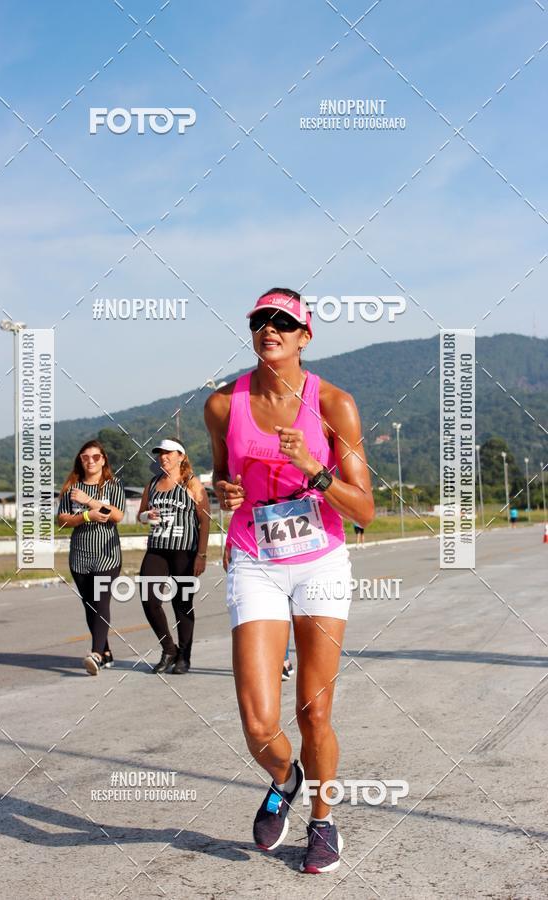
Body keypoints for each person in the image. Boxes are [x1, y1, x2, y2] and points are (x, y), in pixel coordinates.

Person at [205, 287, 374, 874]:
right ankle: (285, 775)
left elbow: (365, 510)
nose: (268, 329)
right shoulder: (224, 405)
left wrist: (314, 470)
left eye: (282, 322)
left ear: (305, 335)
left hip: (320, 561)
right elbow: (222, 480)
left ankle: (323, 823)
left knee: (314, 714)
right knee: (258, 722)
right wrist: (221, 493)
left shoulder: (334, 404)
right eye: (259, 321)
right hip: (255, 557)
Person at [138, 438, 210, 675]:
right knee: (149, 599)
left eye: (168, 453)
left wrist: (201, 554)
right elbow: (140, 516)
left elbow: (205, 520)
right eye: (160, 454)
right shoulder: (153, 483)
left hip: (185, 550)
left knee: (182, 604)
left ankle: (184, 657)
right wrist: (148, 516)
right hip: (157, 548)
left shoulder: (192, 484)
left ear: (181, 456)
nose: (163, 457)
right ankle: (169, 648)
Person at [57, 440, 126, 675]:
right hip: (80, 555)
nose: (90, 461)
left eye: (96, 457)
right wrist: (87, 515)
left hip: (107, 554)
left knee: (101, 601)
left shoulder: (113, 485)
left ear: (103, 459)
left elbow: (117, 515)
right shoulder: (71, 488)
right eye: (85, 457)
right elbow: (63, 520)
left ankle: (95, 654)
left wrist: (90, 501)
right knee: (89, 605)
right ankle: (105, 652)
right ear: (80, 460)